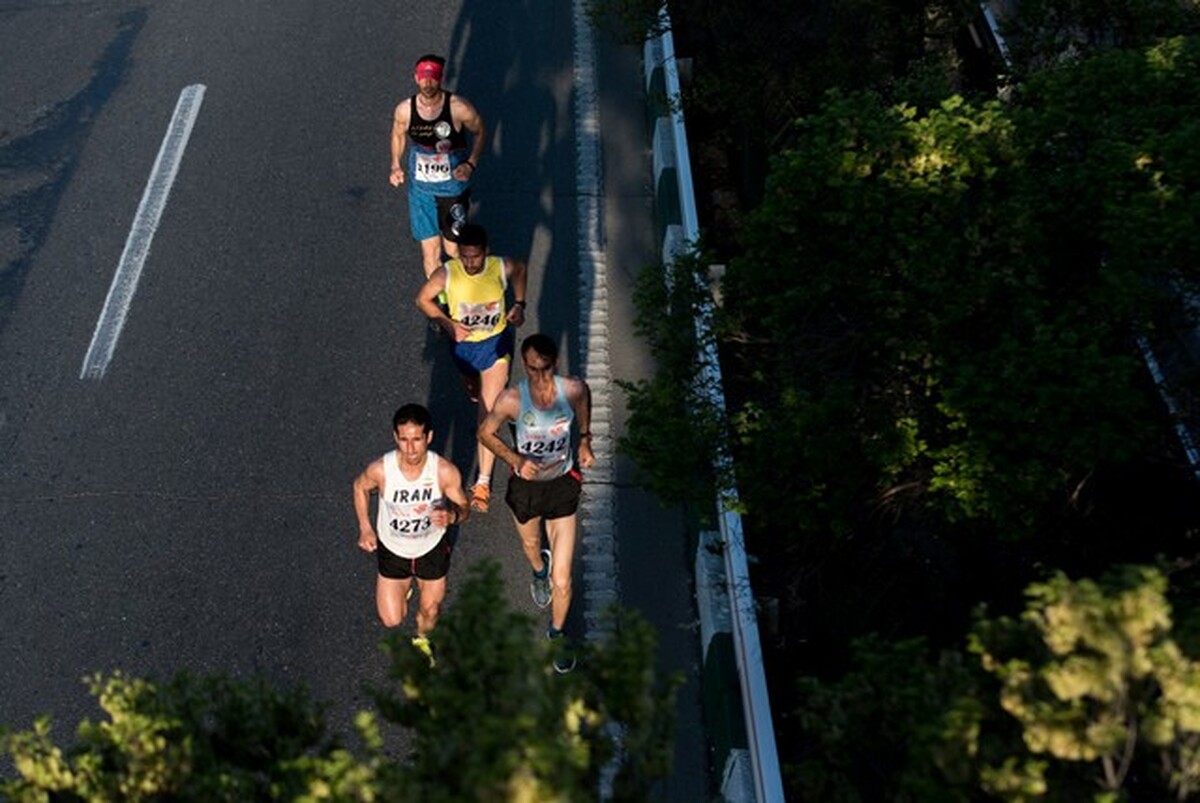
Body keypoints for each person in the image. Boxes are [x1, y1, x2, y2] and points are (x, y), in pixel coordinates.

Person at [478, 334, 594, 672]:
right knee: (531, 546)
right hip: (526, 489)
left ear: (555, 364)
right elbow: (485, 433)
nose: (538, 377)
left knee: (564, 580)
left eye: (544, 369)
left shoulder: (572, 390)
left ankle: (557, 634)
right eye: (531, 369)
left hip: (561, 487)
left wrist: (585, 440)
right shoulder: (513, 399)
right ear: (525, 367)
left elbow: (584, 400)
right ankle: (537, 570)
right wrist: (515, 459)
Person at [416, 223, 527, 514]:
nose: (470, 263)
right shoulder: (448, 273)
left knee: (488, 414)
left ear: (485, 253)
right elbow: (422, 299)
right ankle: (472, 383)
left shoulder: (499, 267)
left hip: (494, 347)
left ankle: (482, 482)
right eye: (465, 257)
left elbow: (520, 270)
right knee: (473, 387)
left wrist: (519, 304)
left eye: (475, 257)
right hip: (464, 350)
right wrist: (448, 323)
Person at [353, 403, 469, 660]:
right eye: (404, 440)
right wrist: (365, 528)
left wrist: (452, 515)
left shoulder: (443, 472)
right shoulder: (382, 470)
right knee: (391, 619)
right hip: (393, 550)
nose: (410, 448)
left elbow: (464, 507)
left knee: (430, 610)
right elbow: (359, 487)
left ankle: (423, 640)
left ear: (429, 437)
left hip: (431, 548)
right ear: (396, 437)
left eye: (417, 439)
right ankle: (404, 584)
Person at [389, 54, 487, 279]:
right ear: (416, 78)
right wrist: (395, 165)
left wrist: (471, 163)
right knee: (430, 251)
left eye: (432, 78)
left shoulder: (458, 108)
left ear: (440, 79)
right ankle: (445, 303)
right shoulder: (405, 109)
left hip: (452, 189)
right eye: (424, 78)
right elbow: (397, 134)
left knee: (453, 250)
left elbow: (480, 131)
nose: (428, 83)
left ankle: (470, 290)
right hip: (421, 190)